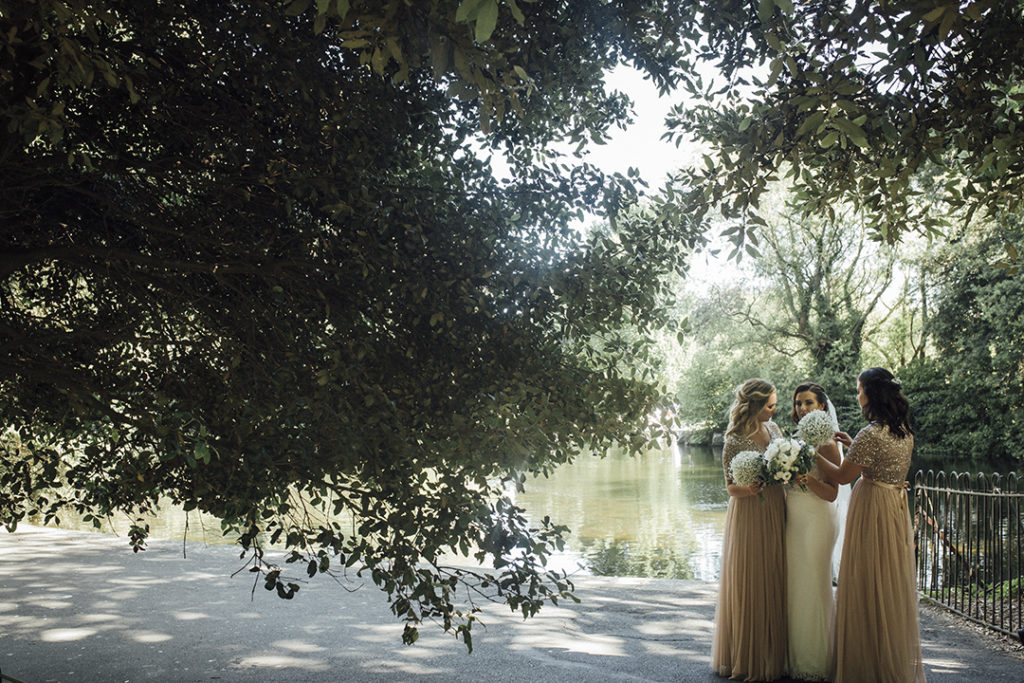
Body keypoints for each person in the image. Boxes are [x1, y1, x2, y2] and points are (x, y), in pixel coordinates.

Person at [817, 367, 926, 683]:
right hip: (893, 507)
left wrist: (811, 452)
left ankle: (864, 661)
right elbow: (881, 462)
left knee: (865, 579)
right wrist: (853, 446)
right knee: (885, 580)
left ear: (872, 394)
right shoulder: (903, 430)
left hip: (872, 509)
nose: (857, 394)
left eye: (859, 389)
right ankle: (885, 654)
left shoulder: (870, 434)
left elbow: (841, 476)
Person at [711, 378, 787, 681]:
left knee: (775, 573)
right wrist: (750, 490)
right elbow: (730, 487)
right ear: (755, 405)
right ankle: (748, 653)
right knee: (752, 576)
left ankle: (775, 652)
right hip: (749, 512)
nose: (774, 410)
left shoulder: (776, 431)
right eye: (769, 405)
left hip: (777, 506)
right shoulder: (734, 440)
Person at [786, 382, 840, 681]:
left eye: (808, 403)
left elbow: (833, 492)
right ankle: (794, 656)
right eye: (798, 403)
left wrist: (806, 480)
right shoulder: (795, 438)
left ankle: (816, 661)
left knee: (813, 586)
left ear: (821, 406)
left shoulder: (828, 442)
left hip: (817, 518)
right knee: (796, 586)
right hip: (794, 517)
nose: (802, 408)